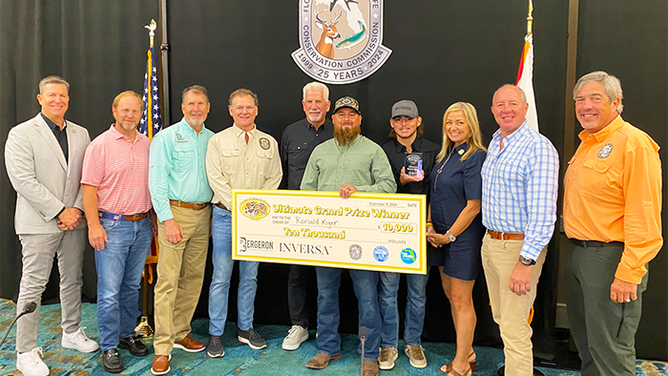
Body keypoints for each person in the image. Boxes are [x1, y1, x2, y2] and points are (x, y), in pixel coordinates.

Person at [563, 71, 662, 376]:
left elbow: (643, 214)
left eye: (595, 98)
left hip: (611, 261)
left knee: (611, 353)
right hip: (580, 255)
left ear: (616, 102)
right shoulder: (588, 143)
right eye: (580, 99)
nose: (585, 106)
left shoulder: (634, 144)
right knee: (589, 346)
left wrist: (629, 273)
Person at [5, 75, 99, 376]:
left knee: (73, 279)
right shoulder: (21, 134)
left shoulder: (81, 133)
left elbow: (88, 177)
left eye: (63, 96)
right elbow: (23, 181)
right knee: (33, 286)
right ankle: (25, 350)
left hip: (75, 220)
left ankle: (71, 332)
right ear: (40, 98)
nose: (58, 100)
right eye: (52, 96)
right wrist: (60, 210)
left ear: (68, 99)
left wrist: (75, 210)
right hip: (39, 223)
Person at [301, 96, 396, 376]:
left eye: (351, 115)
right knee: (325, 294)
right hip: (326, 237)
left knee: (367, 296)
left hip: (362, 237)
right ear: (333, 119)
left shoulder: (373, 151)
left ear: (359, 120)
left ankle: (368, 354)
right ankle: (328, 348)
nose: (346, 120)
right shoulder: (320, 151)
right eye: (341, 115)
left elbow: (389, 186)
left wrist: (360, 191)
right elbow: (306, 191)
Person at [480, 85, 559, 376]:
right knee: (503, 318)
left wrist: (526, 262)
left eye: (513, 103)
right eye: (499, 105)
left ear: (526, 108)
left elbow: (543, 214)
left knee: (514, 328)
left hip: (518, 248)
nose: (506, 109)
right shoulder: (497, 142)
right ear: (492, 111)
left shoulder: (538, 148)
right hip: (491, 243)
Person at [205, 89, 282, 357]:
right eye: (239, 108)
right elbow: (215, 177)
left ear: (256, 110)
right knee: (221, 277)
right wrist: (239, 207)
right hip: (226, 216)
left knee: (250, 275)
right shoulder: (217, 141)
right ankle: (215, 333)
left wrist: (255, 209)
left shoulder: (268, 143)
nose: (244, 112)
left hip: (257, 219)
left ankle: (245, 328)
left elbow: (275, 177)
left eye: (249, 107)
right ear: (230, 111)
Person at [80, 91, 153, 373]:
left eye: (135, 111)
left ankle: (126, 334)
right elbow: (89, 188)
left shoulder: (148, 144)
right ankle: (108, 345)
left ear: (140, 113)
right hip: (111, 225)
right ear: (114, 111)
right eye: (125, 110)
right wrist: (94, 225)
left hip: (142, 224)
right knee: (109, 291)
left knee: (131, 287)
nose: (130, 116)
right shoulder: (100, 146)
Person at [148, 85, 214, 375]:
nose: (195, 108)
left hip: (204, 215)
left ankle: (180, 332)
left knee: (193, 278)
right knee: (167, 281)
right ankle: (162, 347)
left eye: (200, 104)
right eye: (190, 104)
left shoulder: (214, 140)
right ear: (183, 107)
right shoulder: (166, 137)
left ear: (208, 108)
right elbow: (158, 180)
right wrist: (167, 218)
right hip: (175, 214)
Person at [377, 99, 439, 369]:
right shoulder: (382, 151)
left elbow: (438, 193)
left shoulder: (435, 150)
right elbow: (377, 190)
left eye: (409, 119)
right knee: (388, 291)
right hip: (390, 231)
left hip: (420, 233)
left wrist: (428, 222)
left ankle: (413, 343)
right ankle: (388, 344)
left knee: (417, 292)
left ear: (418, 121)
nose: (404, 124)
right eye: (399, 119)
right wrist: (400, 181)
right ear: (392, 123)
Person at [426, 102, 486, 376]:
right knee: (451, 295)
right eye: (449, 123)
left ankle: (462, 364)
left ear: (471, 125)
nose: (453, 128)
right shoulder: (443, 156)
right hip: (438, 237)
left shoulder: (475, 157)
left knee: (462, 300)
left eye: (460, 122)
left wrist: (449, 236)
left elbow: (474, 205)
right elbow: (432, 195)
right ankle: (467, 351)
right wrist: (429, 226)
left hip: (461, 239)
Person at [279, 82, 333, 351]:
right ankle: (299, 325)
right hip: (297, 216)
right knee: (297, 274)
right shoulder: (290, 133)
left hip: (333, 217)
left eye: (319, 102)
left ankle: (328, 329)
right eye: (309, 102)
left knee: (330, 277)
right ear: (303, 104)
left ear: (327, 105)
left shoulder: (340, 131)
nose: (314, 106)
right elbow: (282, 176)